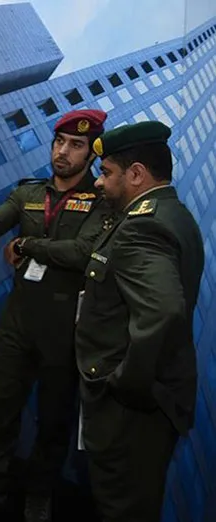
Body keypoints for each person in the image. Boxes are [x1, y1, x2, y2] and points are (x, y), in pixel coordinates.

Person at [0, 109, 115, 522]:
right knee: (1, 408)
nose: (63, 151)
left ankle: (40, 493)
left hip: (65, 328)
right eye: (59, 142)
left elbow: (81, 253)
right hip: (19, 322)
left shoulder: (101, 200)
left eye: (76, 145)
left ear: (91, 154)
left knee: (53, 418)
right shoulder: (28, 193)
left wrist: (26, 245)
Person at [76, 121, 204, 522]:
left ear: (135, 174)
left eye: (106, 172)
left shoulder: (142, 226)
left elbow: (163, 312)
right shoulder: (172, 213)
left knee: (121, 508)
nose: (98, 182)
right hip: (150, 404)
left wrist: (124, 383)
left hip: (132, 412)